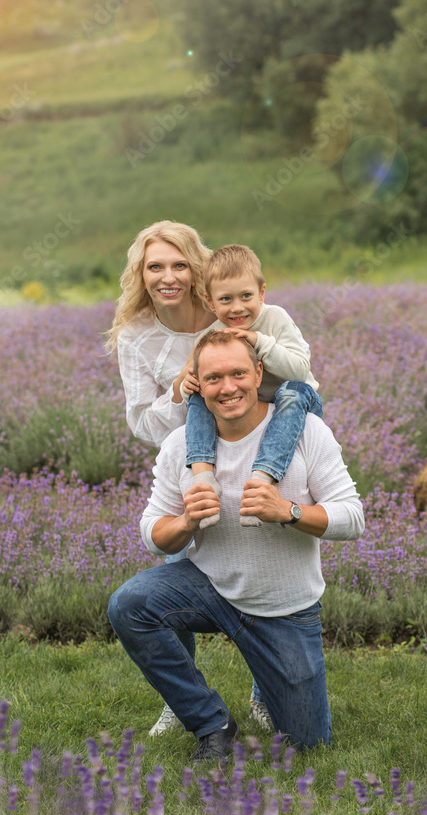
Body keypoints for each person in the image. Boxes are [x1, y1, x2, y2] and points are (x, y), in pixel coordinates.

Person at [107, 330, 365, 761]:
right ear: (198, 385)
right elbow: (152, 531)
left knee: (309, 745)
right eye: (214, 378)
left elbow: (352, 517)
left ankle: (270, 690)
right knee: (130, 604)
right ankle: (211, 723)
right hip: (209, 589)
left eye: (238, 374)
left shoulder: (306, 432)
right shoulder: (181, 445)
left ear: (258, 372)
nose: (228, 388)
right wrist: (187, 521)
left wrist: (289, 511)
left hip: (285, 609)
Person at [107, 221, 270, 735]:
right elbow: (141, 423)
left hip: (252, 457)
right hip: (186, 470)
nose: (168, 276)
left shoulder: (224, 313)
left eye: (179, 264)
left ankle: (266, 692)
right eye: (155, 266)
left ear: (196, 267)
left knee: (265, 575)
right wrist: (178, 392)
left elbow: (269, 379)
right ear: (141, 273)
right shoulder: (135, 337)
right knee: (174, 579)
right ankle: (184, 699)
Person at [184, 244, 322, 527]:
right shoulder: (214, 334)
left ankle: (262, 478)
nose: (237, 307)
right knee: (198, 396)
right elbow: (199, 375)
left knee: (291, 391)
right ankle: (204, 479)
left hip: (295, 403)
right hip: (249, 407)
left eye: (246, 296)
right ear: (211, 303)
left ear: (261, 292)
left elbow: (299, 370)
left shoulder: (275, 319)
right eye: (226, 299)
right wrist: (189, 380)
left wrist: (260, 342)